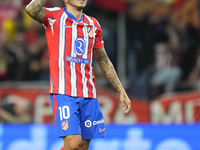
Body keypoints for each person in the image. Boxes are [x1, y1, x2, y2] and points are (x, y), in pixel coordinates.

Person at [25, 0, 131, 150]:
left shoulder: (93, 24)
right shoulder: (54, 17)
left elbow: (103, 59)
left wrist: (121, 90)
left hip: (88, 94)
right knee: (73, 144)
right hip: (63, 92)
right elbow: (31, 9)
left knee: (82, 146)